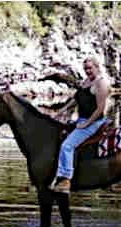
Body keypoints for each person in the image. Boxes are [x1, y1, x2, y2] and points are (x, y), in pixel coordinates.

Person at [49, 57, 111, 193]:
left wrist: (86, 124)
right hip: (81, 119)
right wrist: (60, 112)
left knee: (67, 146)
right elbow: (75, 99)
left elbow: (100, 108)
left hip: (94, 122)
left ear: (97, 67)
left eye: (90, 68)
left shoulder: (101, 84)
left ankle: (65, 180)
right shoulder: (86, 82)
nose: (88, 71)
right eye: (86, 68)